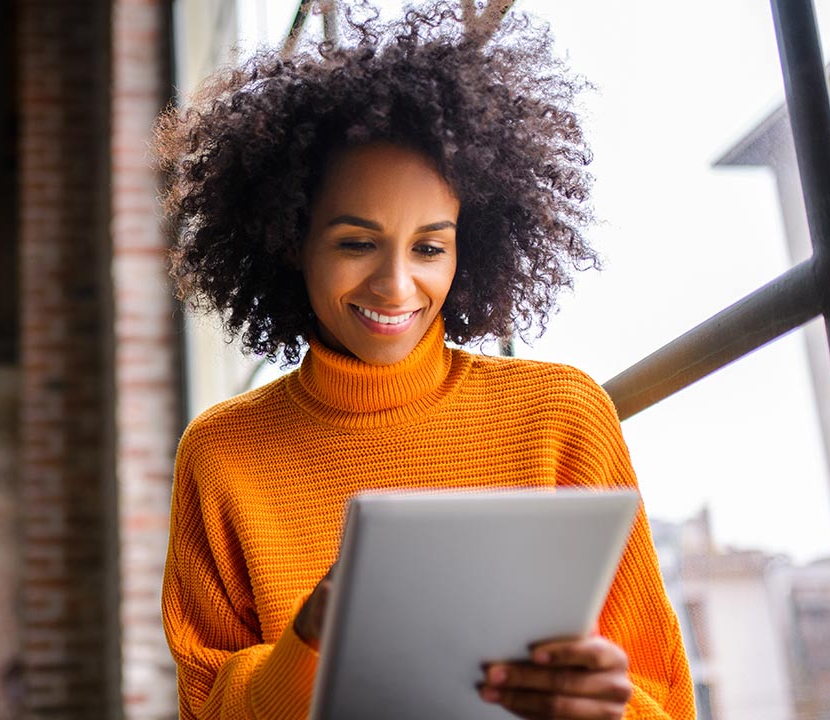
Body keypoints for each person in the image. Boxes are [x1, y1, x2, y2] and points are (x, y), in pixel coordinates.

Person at [153, 2, 695, 718]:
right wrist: (311, 641)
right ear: (290, 239)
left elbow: (666, 699)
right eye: (355, 243)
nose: (396, 286)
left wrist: (609, 709)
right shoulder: (223, 453)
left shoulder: (561, 415)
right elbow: (209, 708)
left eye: (430, 247)